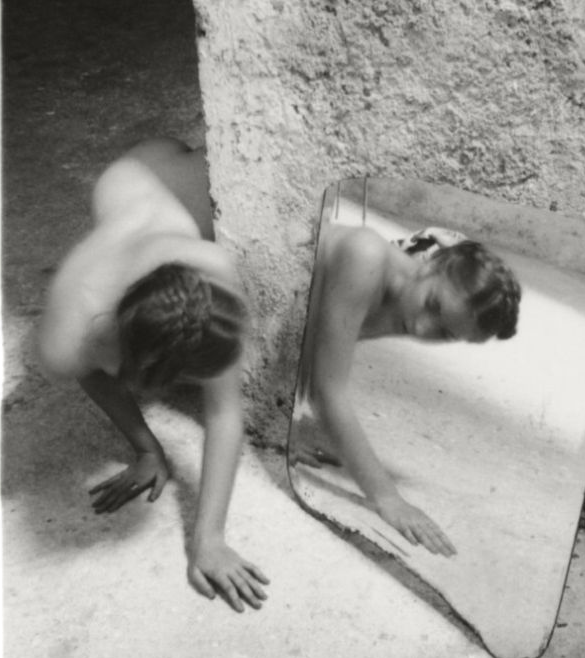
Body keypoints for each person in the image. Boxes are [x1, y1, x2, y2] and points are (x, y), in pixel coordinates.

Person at [37, 137, 269, 613]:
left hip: (176, 176)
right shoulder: (67, 334)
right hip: (127, 177)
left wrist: (208, 538)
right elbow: (92, 373)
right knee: (87, 353)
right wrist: (147, 448)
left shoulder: (211, 265)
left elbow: (224, 412)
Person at [291, 221, 522, 557]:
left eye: (445, 334)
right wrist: (387, 498)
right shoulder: (366, 256)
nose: (421, 326)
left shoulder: (412, 299)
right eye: (433, 305)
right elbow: (327, 391)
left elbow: (313, 342)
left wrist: (284, 421)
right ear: (429, 265)